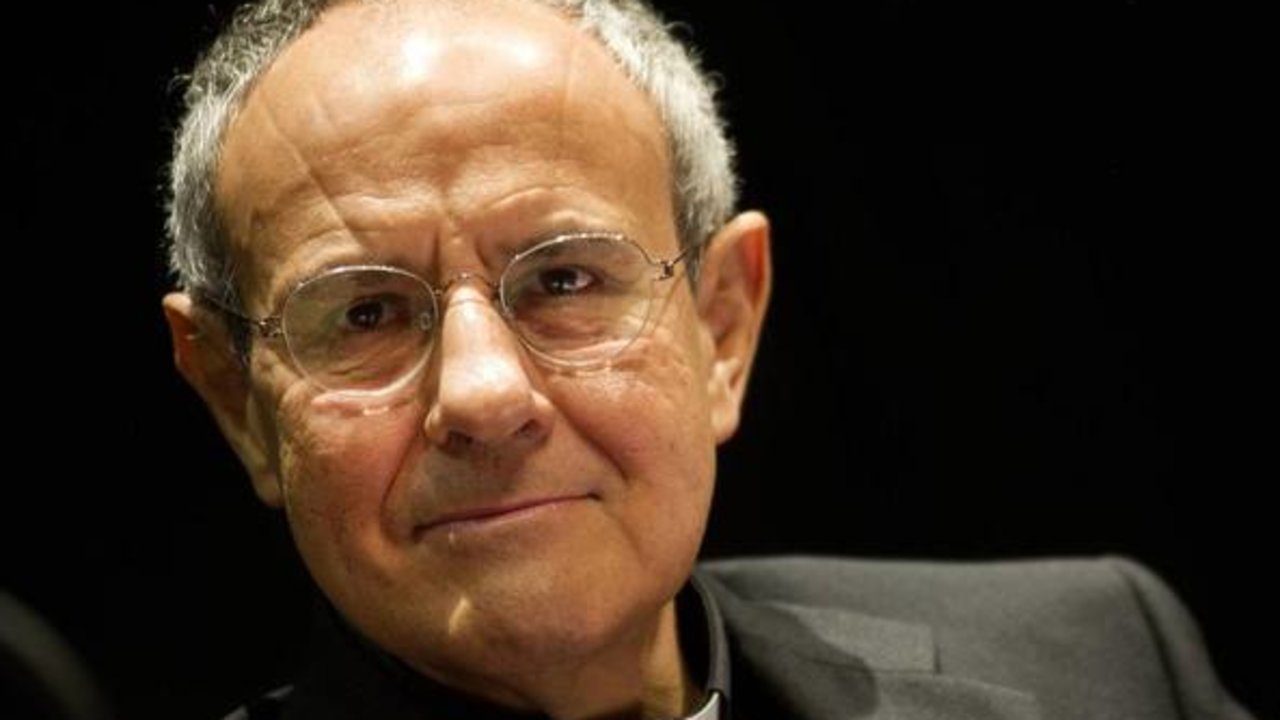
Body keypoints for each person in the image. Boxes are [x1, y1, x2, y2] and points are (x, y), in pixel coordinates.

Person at [159, 1, 1254, 719]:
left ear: (722, 326)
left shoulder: (1103, 665)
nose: (484, 393)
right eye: (364, 315)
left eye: (564, 280)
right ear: (238, 402)